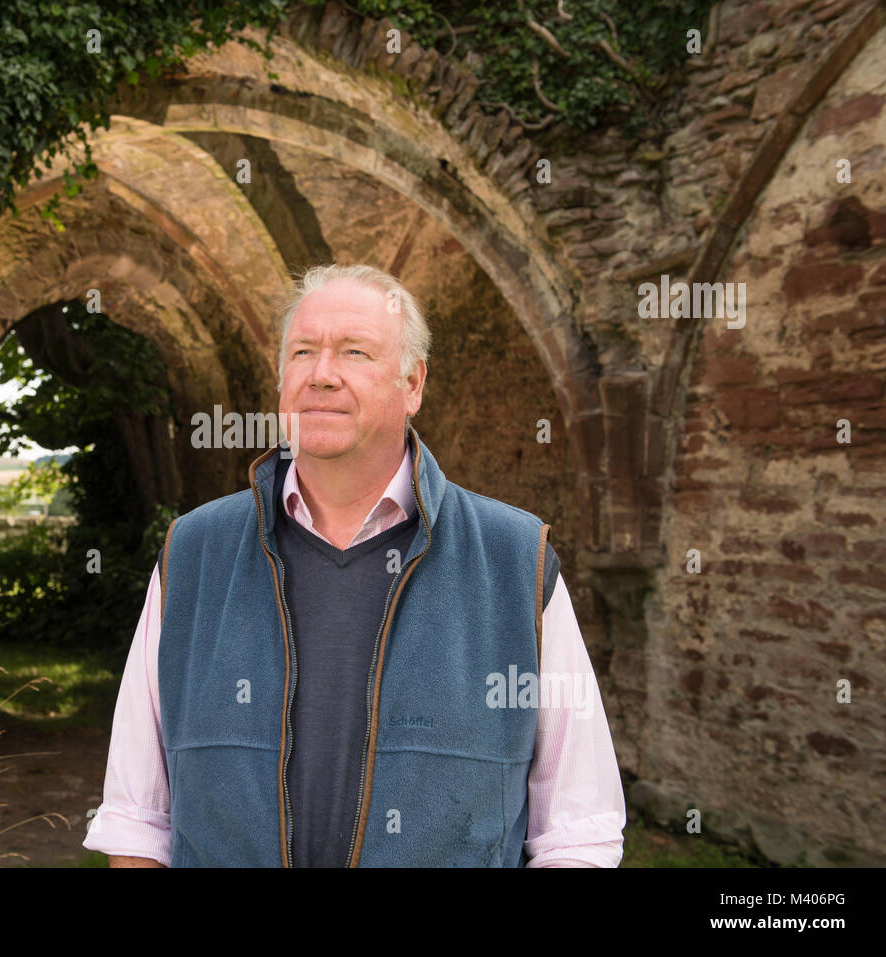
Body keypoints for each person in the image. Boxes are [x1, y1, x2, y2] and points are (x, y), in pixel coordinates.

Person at [83, 263, 626, 867]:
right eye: (303, 351)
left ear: (413, 383)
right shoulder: (191, 556)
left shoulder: (515, 563)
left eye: (354, 352)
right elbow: (137, 818)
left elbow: (578, 830)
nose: (321, 375)